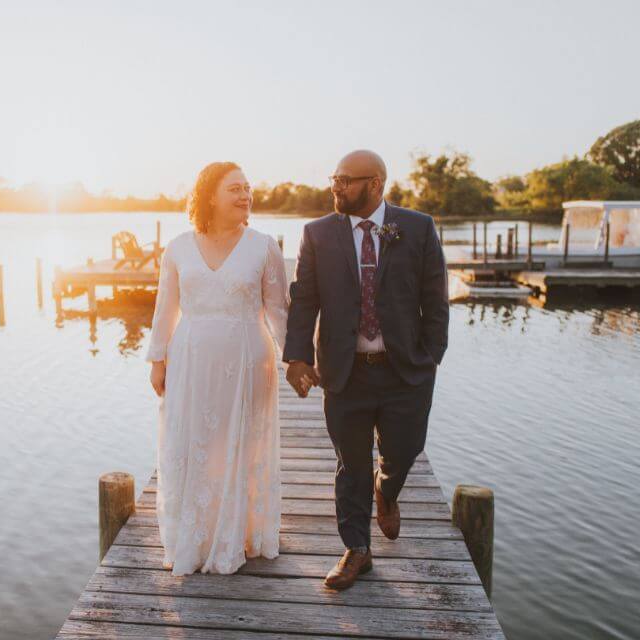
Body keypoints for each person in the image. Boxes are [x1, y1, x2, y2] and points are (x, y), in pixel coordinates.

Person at [283, 150, 449, 590]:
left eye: (345, 180)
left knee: (406, 448)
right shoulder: (317, 234)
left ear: (375, 183)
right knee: (350, 463)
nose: (335, 187)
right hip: (344, 372)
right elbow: (304, 299)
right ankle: (357, 550)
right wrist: (297, 357)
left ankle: (387, 489)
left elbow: (435, 298)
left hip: (404, 371)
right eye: (333, 178)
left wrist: (432, 355)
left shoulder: (417, 227)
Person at [145, 161, 288, 575]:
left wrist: (298, 360)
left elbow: (279, 312)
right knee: (193, 445)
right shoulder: (178, 248)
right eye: (235, 189)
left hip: (247, 361)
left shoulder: (263, 246)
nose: (246, 195)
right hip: (190, 362)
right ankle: (197, 534)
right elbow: (164, 310)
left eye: (247, 188)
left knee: (239, 444)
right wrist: (158, 360)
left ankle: (238, 534)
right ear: (210, 195)